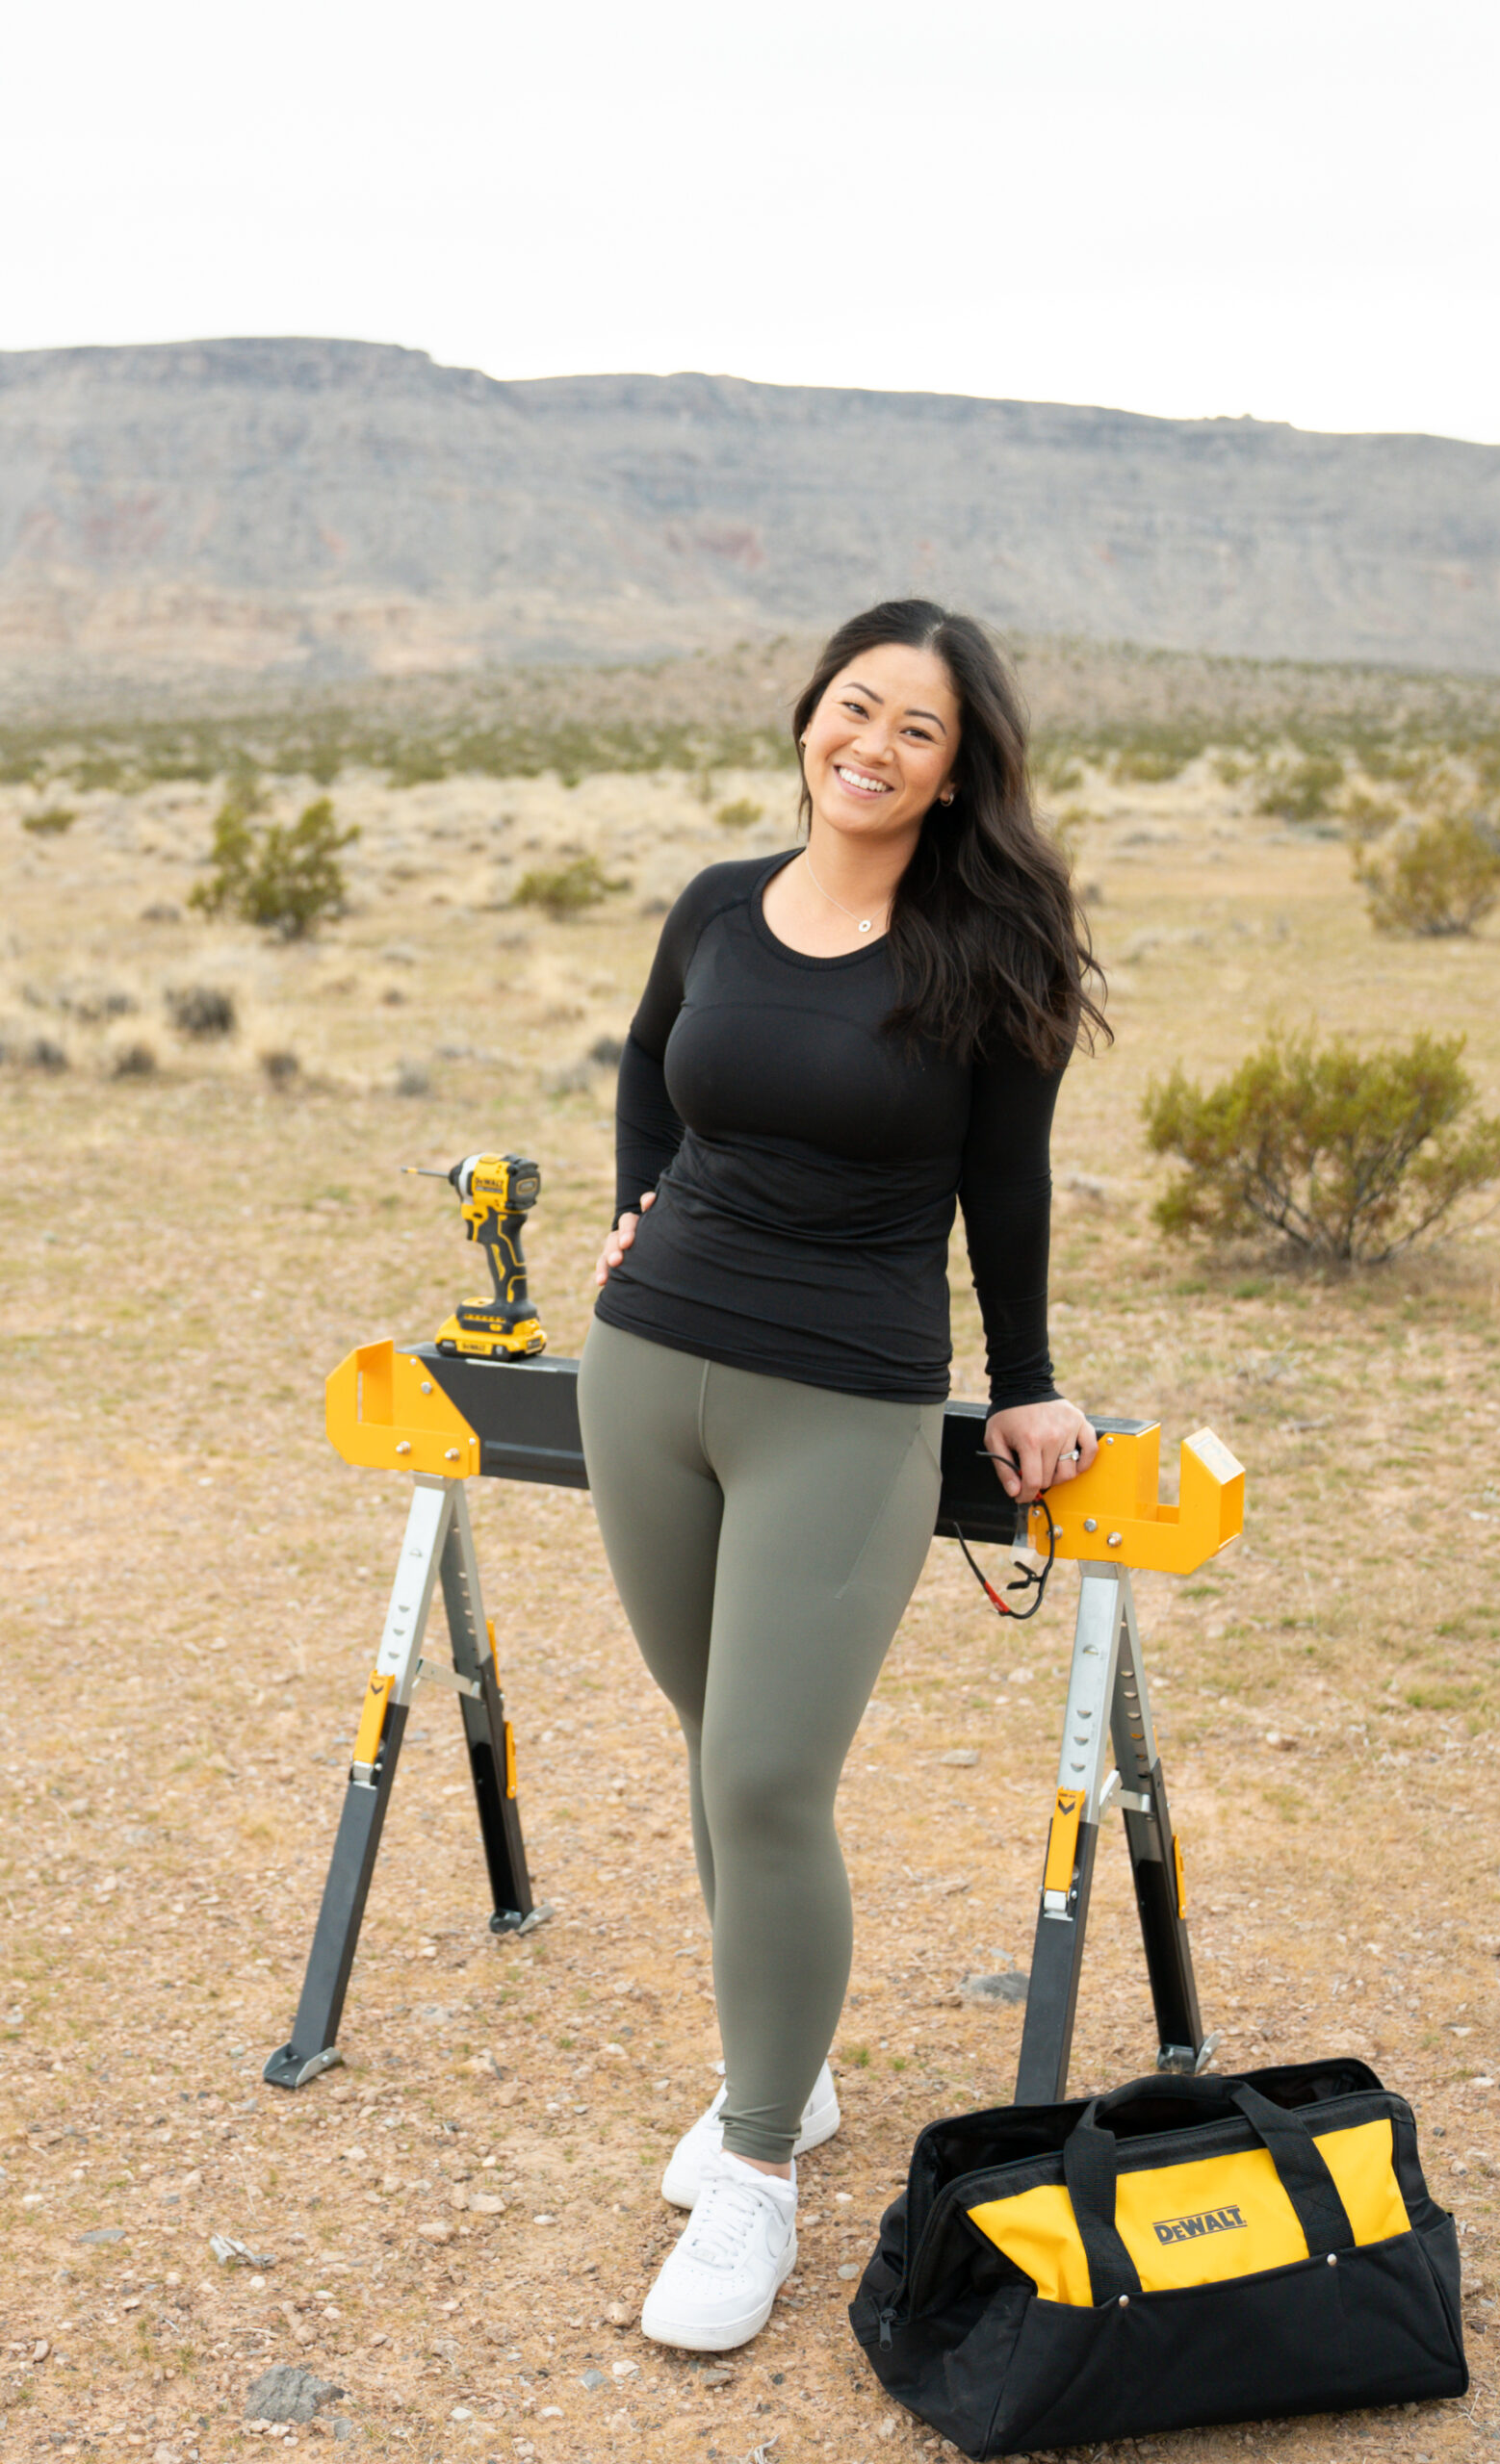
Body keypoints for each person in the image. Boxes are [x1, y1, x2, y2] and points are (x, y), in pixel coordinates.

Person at [576, 600, 1109, 2351]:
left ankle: (755, 2175)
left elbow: (1008, 1194)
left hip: (848, 1400)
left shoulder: (987, 947)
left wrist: (1023, 1384)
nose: (871, 748)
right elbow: (652, 1073)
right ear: (809, 714)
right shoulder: (720, 907)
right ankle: (782, 2074)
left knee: (768, 1777)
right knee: (711, 1745)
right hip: (648, 1371)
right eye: (854, 710)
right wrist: (632, 1212)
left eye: (919, 732)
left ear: (961, 775)